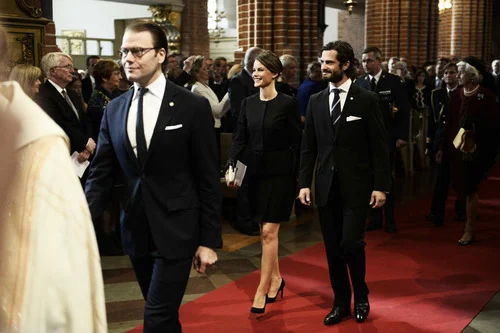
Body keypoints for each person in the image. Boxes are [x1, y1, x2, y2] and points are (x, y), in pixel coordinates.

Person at [84, 22, 222, 332]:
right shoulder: (115, 109)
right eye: (124, 51)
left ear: (160, 55)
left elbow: (207, 177)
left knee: (156, 317)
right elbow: (100, 173)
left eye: (137, 51)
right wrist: (80, 220)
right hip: (135, 228)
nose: (127, 59)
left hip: (178, 228)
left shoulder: (191, 106)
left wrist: (209, 241)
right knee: (161, 311)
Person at [0, 26, 107, 332]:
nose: (72, 71)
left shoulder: (35, 136)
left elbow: (60, 249)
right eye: (67, 67)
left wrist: (84, 143)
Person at [298, 40, 390, 325]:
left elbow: (380, 146)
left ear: (346, 65)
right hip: (325, 186)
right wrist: (304, 183)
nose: (323, 67)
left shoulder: (367, 99)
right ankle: (341, 303)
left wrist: (381, 186)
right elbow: (309, 147)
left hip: (357, 186)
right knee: (333, 249)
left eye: (329, 62)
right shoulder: (315, 101)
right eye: (322, 61)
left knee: (351, 242)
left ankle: (361, 295)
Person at [227, 50, 301, 314]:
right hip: (254, 174)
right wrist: (232, 167)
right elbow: (239, 138)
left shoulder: (287, 104)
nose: (256, 74)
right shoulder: (248, 103)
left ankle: (261, 288)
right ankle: (277, 279)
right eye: (254, 69)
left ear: (275, 74)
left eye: (261, 70)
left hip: (280, 175)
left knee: (269, 232)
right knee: (264, 232)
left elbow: (298, 143)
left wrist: (301, 180)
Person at [442, 58, 500, 245]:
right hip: (458, 149)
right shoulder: (456, 95)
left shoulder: (486, 95)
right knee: (463, 187)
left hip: (478, 149)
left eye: (461, 72)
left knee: (471, 189)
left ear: (472, 75)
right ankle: (467, 220)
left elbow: (493, 126)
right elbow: (450, 123)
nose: (457, 75)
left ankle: (469, 229)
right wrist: (444, 147)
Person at [355, 46, 410, 233]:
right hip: (365, 139)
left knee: (386, 178)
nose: (365, 64)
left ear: (379, 61)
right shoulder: (360, 82)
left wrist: (402, 135)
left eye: (369, 60)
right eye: (363, 61)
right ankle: (375, 218)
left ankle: (391, 218)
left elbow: (404, 111)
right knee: (369, 178)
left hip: (388, 137)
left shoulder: (394, 82)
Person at [227, 46, 263, 236]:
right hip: (244, 141)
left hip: (257, 142)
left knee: (255, 183)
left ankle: (254, 218)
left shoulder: (258, 80)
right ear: (251, 63)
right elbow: (237, 112)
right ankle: (244, 221)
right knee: (243, 183)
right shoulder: (238, 82)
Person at [35, 52, 95, 165]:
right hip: (60, 157)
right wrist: (84, 143)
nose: (72, 71)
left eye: (71, 67)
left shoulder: (71, 93)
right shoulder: (43, 94)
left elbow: (85, 120)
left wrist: (87, 146)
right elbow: (59, 124)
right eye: (67, 67)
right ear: (53, 71)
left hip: (83, 156)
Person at [426, 62, 466, 226]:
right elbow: (432, 121)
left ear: (457, 75)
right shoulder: (436, 93)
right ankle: (437, 213)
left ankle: (461, 211)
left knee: (460, 178)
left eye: (452, 73)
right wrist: (429, 144)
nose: (449, 75)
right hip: (440, 139)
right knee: (440, 179)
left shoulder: (463, 93)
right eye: (446, 73)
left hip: (458, 140)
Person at [190, 55, 231, 162]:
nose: (209, 71)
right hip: (208, 129)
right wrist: (230, 92)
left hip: (215, 127)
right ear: (196, 72)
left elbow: (219, 112)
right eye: (205, 69)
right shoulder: (197, 88)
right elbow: (217, 111)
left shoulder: (205, 86)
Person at [86, 59, 122, 143]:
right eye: (116, 74)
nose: (120, 77)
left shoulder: (116, 93)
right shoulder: (97, 99)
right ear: (105, 78)